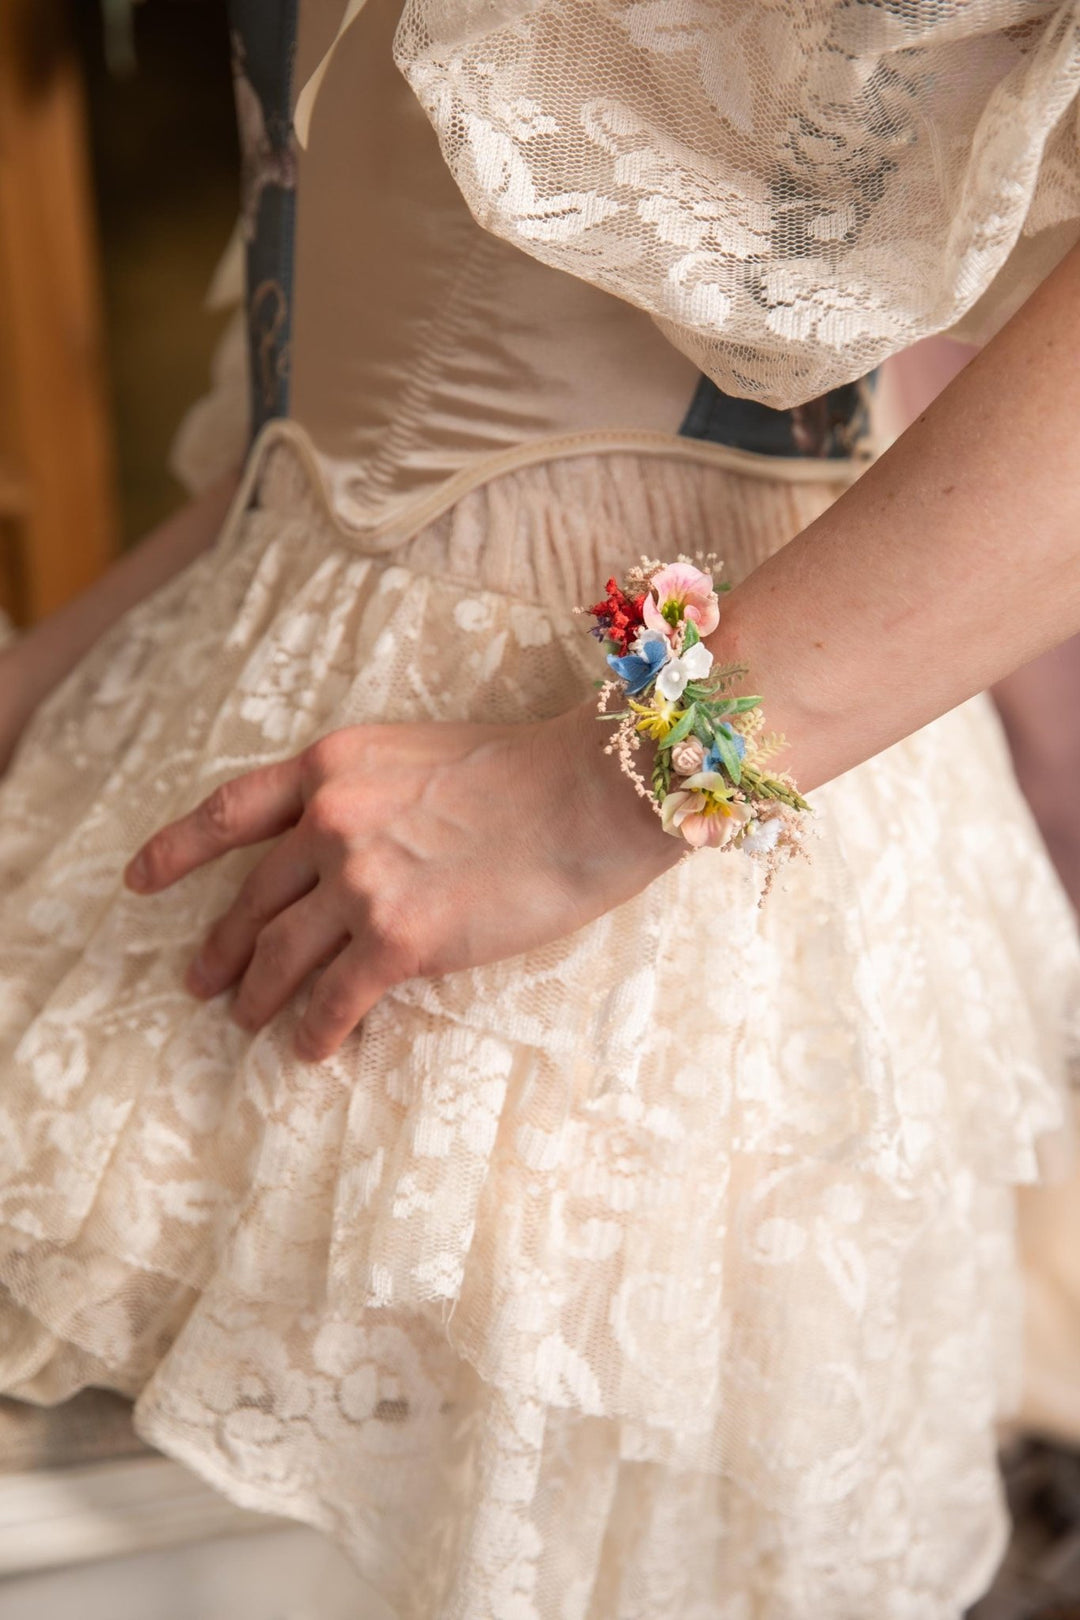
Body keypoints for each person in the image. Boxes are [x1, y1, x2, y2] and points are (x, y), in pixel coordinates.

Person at [1, 2, 1080, 1614]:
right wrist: (41, 691)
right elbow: (321, 434)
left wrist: (597, 795)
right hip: (212, 791)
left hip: (637, 952)